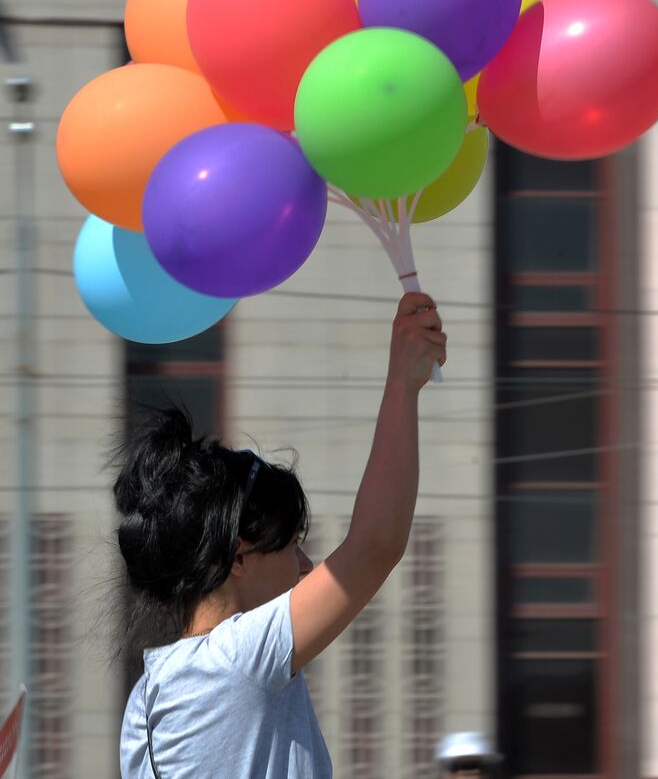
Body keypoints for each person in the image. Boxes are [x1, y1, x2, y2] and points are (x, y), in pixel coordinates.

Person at [116, 292, 447, 778]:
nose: (308, 567)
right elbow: (377, 544)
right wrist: (403, 382)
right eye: (293, 544)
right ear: (239, 555)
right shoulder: (236, 661)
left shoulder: (146, 699)